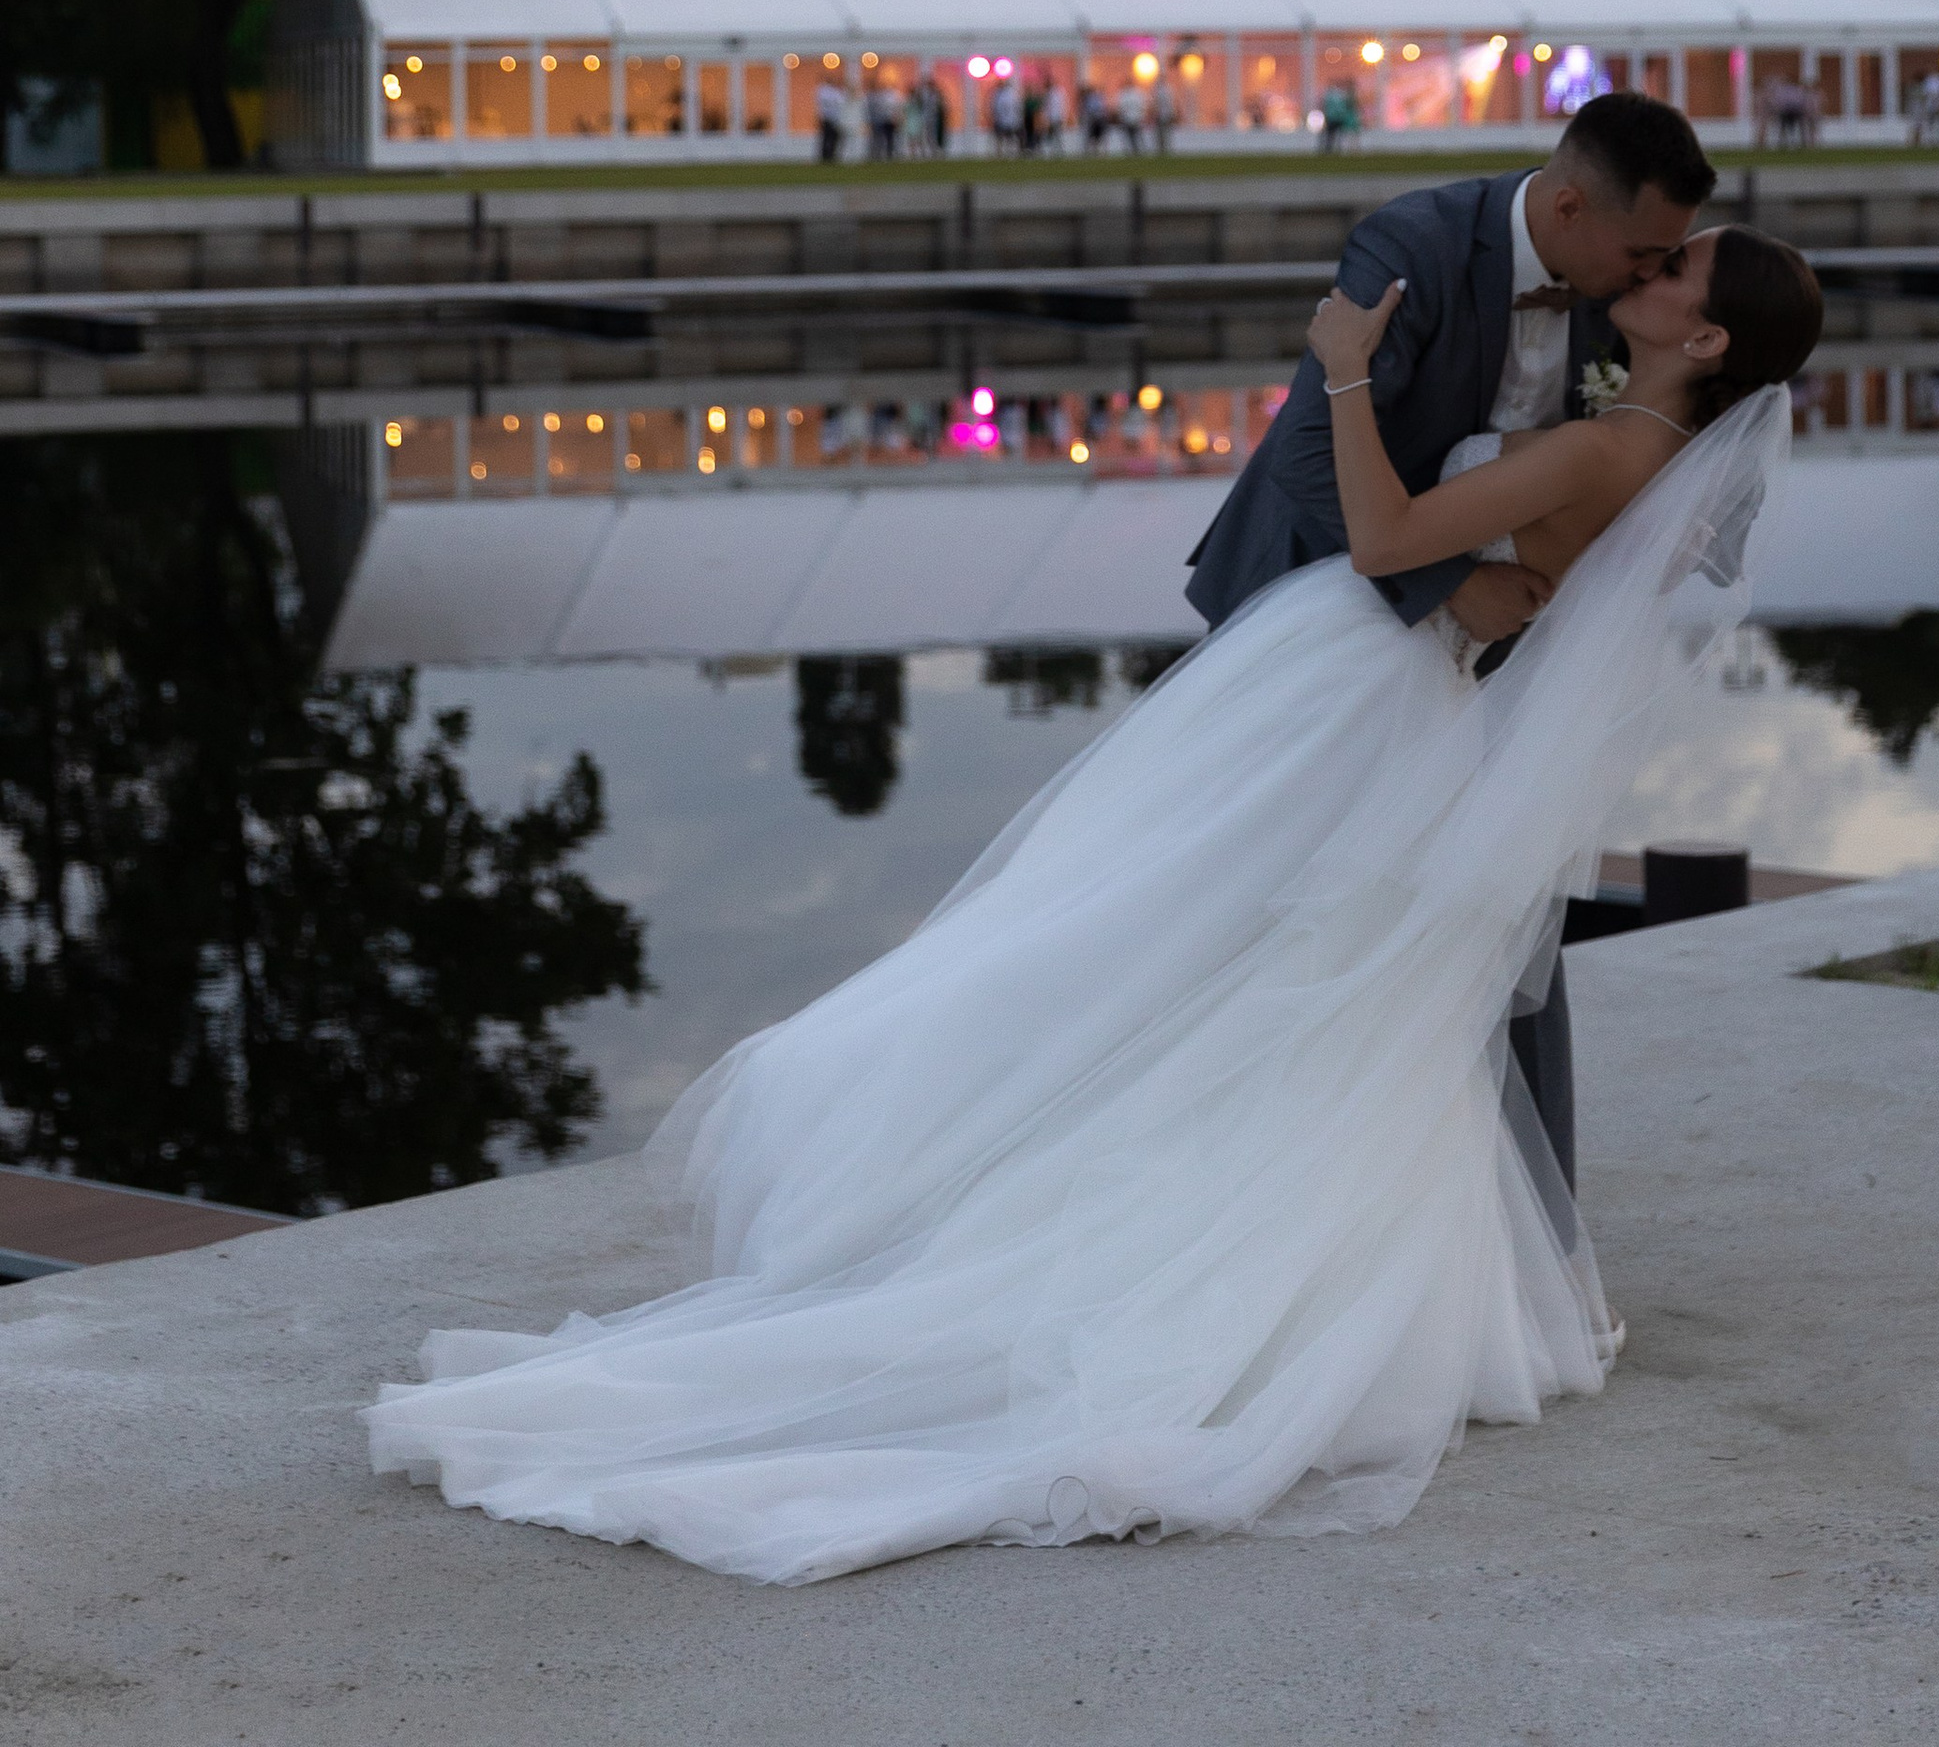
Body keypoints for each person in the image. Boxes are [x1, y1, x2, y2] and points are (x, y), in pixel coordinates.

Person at [369, 191, 1823, 1584]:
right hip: (1378, 693)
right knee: (1208, 960)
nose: (1647, 271)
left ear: (1702, 344)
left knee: (1131, 926)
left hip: (1354, 684)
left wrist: (1342, 381)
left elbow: (1386, 542)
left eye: (1677, 273)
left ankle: (1002, 1195)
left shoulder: (1602, 453)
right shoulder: (1644, 463)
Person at [1187, 90, 1712, 1192]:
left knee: (1497, 918)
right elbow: (1302, 465)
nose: (1651, 275)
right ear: (1568, 207)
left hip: (1491, 660)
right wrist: (1447, 586)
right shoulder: (1413, 245)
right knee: (1273, 919)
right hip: (1327, 633)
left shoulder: (1626, 324)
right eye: (1643, 252)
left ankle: (1530, 1210)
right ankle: (1239, 1178)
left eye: (1670, 262)